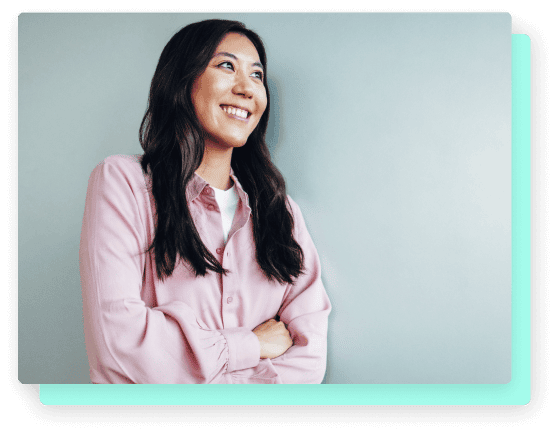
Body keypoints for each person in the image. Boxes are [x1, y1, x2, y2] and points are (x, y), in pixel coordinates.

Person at [79, 19, 332, 384]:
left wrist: (192, 363)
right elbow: (120, 347)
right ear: (183, 81)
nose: (247, 88)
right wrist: (249, 346)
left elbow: (309, 361)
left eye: (257, 75)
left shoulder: (282, 212)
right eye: (226, 65)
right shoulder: (124, 184)